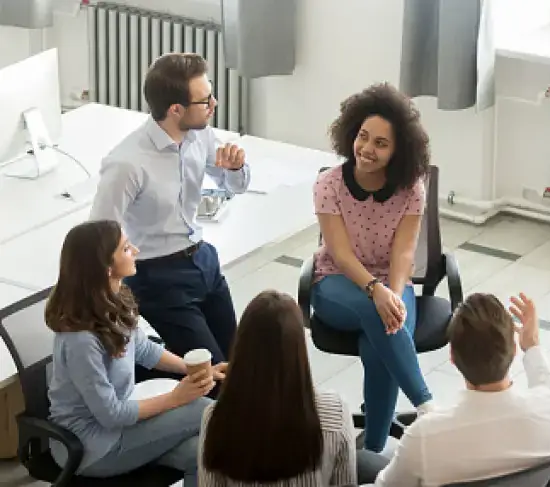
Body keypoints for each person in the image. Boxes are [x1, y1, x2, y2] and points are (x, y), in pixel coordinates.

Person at [89, 52, 250, 370]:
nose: (214, 104)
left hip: (203, 260)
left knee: (240, 364)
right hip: (158, 277)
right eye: (205, 100)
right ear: (176, 109)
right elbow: (97, 234)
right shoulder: (128, 163)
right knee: (213, 376)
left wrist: (236, 168)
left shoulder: (199, 134)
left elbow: (234, 185)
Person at [45, 220, 226, 486]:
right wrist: (177, 397)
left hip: (123, 430)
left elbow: (142, 348)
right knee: (211, 413)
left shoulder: (114, 300)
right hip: (93, 447)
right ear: (106, 267)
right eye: (126, 248)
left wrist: (194, 369)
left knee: (203, 454)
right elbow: (111, 414)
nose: (137, 251)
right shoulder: (80, 341)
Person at [310, 82, 434, 453]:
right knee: (380, 316)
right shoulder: (328, 185)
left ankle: (371, 452)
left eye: (381, 143)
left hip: (390, 283)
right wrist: (376, 292)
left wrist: (394, 294)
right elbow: (341, 254)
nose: (367, 149)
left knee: (381, 336)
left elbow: (404, 252)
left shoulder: (412, 187)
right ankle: (427, 406)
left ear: (398, 150)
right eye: (363, 137)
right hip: (336, 282)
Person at [375, 293, 550, 486]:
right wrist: (532, 345)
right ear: (514, 351)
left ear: (452, 357)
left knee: (363, 461)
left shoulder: (425, 437)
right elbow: (548, 382)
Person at [199, 290, 389, 486]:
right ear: (298, 349)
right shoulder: (335, 412)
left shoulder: (215, 417)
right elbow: (344, 483)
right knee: (368, 462)